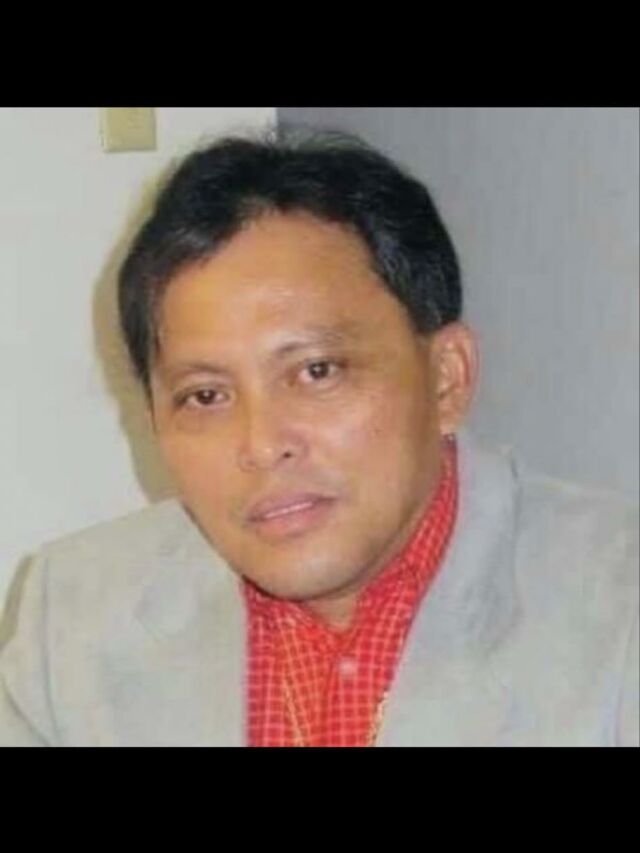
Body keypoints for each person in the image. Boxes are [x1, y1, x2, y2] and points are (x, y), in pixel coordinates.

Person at [1, 131, 637, 747]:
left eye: (316, 371)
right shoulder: (71, 621)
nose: (261, 444)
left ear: (447, 379)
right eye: (206, 396)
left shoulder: (618, 609)